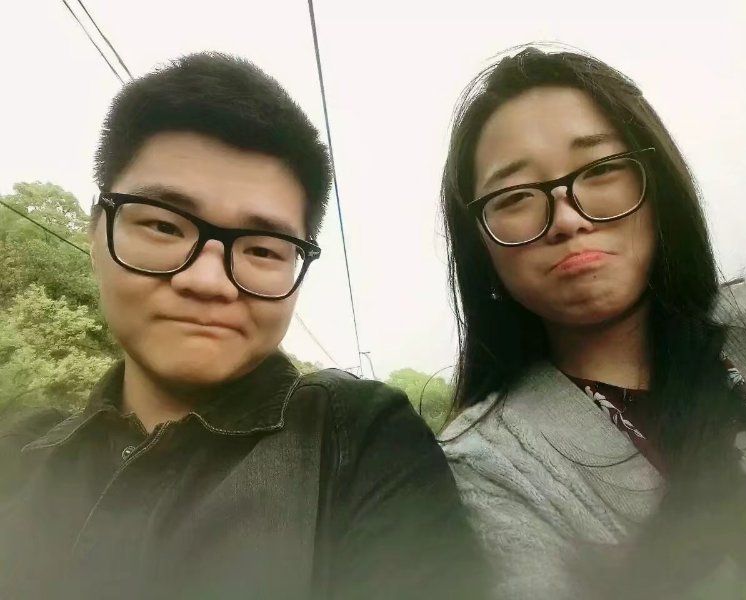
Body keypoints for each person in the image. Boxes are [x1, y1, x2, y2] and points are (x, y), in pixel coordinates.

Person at [0, 52, 486, 599]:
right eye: (164, 226)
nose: (208, 281)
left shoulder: (361, 445)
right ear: (96, 234)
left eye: (261, 248)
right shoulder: (17, 455)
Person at [437, 46, 746, 599]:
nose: (567, 218)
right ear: (478, 243)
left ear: (657, 183)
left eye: (601, 169)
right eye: (514, 197)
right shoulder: (491, 470)